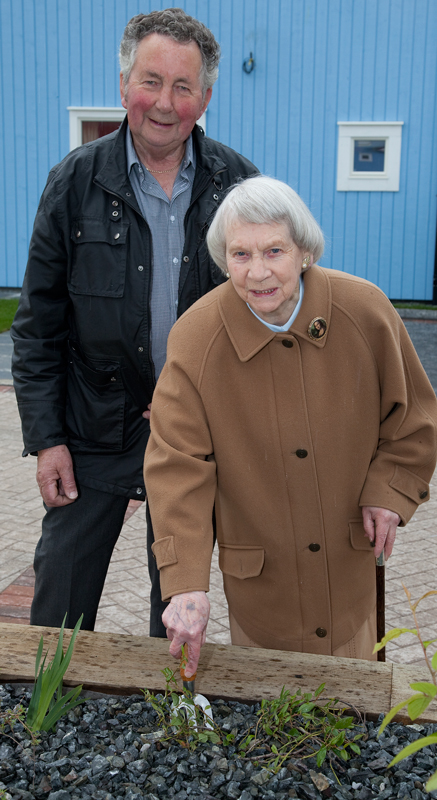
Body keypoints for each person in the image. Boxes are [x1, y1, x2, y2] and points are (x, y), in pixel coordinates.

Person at [11, 8, 257, 635]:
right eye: (151, 81)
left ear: (206, 96)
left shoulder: (241, 188)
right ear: (124, 86)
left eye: (183, 86)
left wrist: (209, 403)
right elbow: (38, 327)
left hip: (191, 437)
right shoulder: (73, 181)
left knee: (176, 609)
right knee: (58, 612)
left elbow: (263, 322)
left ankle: (169, 719)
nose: (165, 103)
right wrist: (47, 441)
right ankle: (44, 725)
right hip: (91, 429)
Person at [144, 176, 437, 676]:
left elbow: (412, 418)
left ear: (304, 250)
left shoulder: (365, 311)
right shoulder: (195, 338)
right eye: (240, 255)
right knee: (269, 728)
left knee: (355, 713)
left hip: (349, 574)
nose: (258, 271)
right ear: (223, 260)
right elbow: (177, 467)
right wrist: (186, 582)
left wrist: (390, 491)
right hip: (262, 589)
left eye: (274, 250)